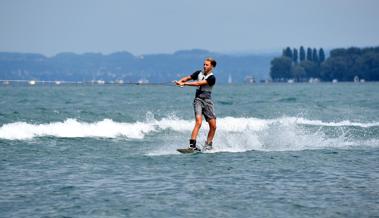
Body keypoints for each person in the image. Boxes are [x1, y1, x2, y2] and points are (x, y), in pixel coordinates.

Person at [175, 57, 217, 151]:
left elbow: (199, 83)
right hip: (198, 100)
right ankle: (192, 145)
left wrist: (185, 84)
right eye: (204, 64)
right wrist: (181, 81)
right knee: (199, 122)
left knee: (213, 126)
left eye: (207, 65)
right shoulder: (198, 73)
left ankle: (208, 145)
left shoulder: (212, 78)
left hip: (207, 101)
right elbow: (188, 77)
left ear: (212, 66)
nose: (204, 66)